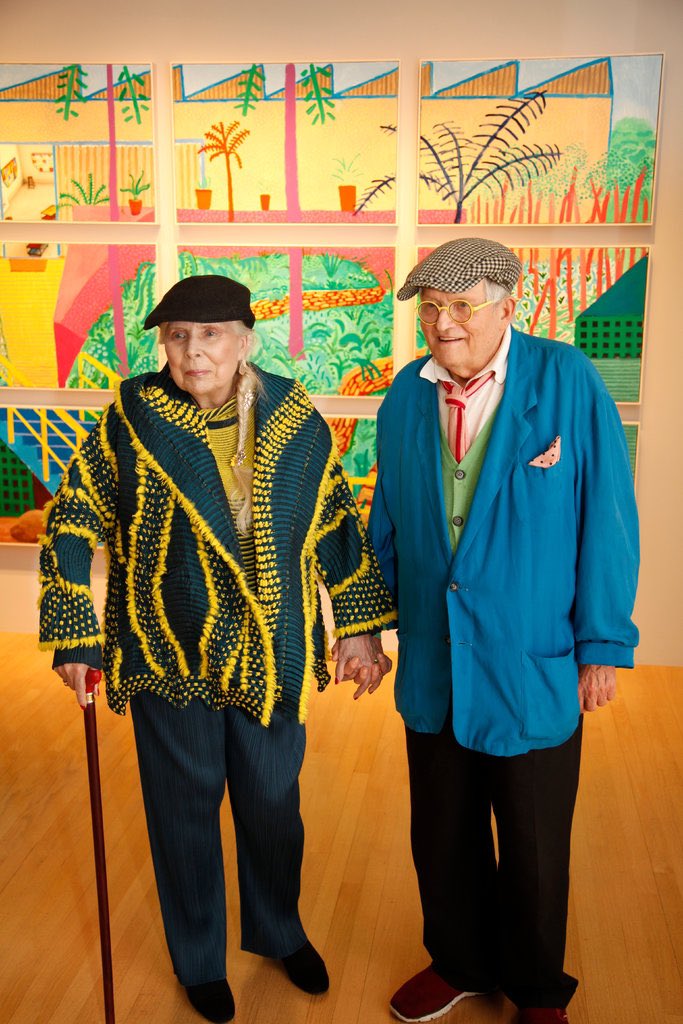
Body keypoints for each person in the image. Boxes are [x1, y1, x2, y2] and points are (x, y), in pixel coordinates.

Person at [39, 274, 394, 1024]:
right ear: (163, 347)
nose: (193, 351)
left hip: (271, 650)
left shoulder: (295, 419)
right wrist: (75, 628)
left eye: (210, 335)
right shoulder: (130, 420)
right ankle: (199, 958)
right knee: (183, 809)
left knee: (272, 803)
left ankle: (279, 930)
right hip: (165, 648)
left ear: (245, 341)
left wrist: (359, 627)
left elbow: (334, 520)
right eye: (177, 337)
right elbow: (72, 516)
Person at [368, 238, 639, 1024]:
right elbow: (386, 520)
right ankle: (459, 961)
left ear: (507, 307)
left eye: (461, 306)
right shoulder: (405, 394)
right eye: (430, 309)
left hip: (530, 658)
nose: (442, 324)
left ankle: (535, 987)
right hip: (435, 657)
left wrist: (602, 644)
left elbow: (606, 519)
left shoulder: (566, 378)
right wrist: (366, 626)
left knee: (532, 839)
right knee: (441, 831)